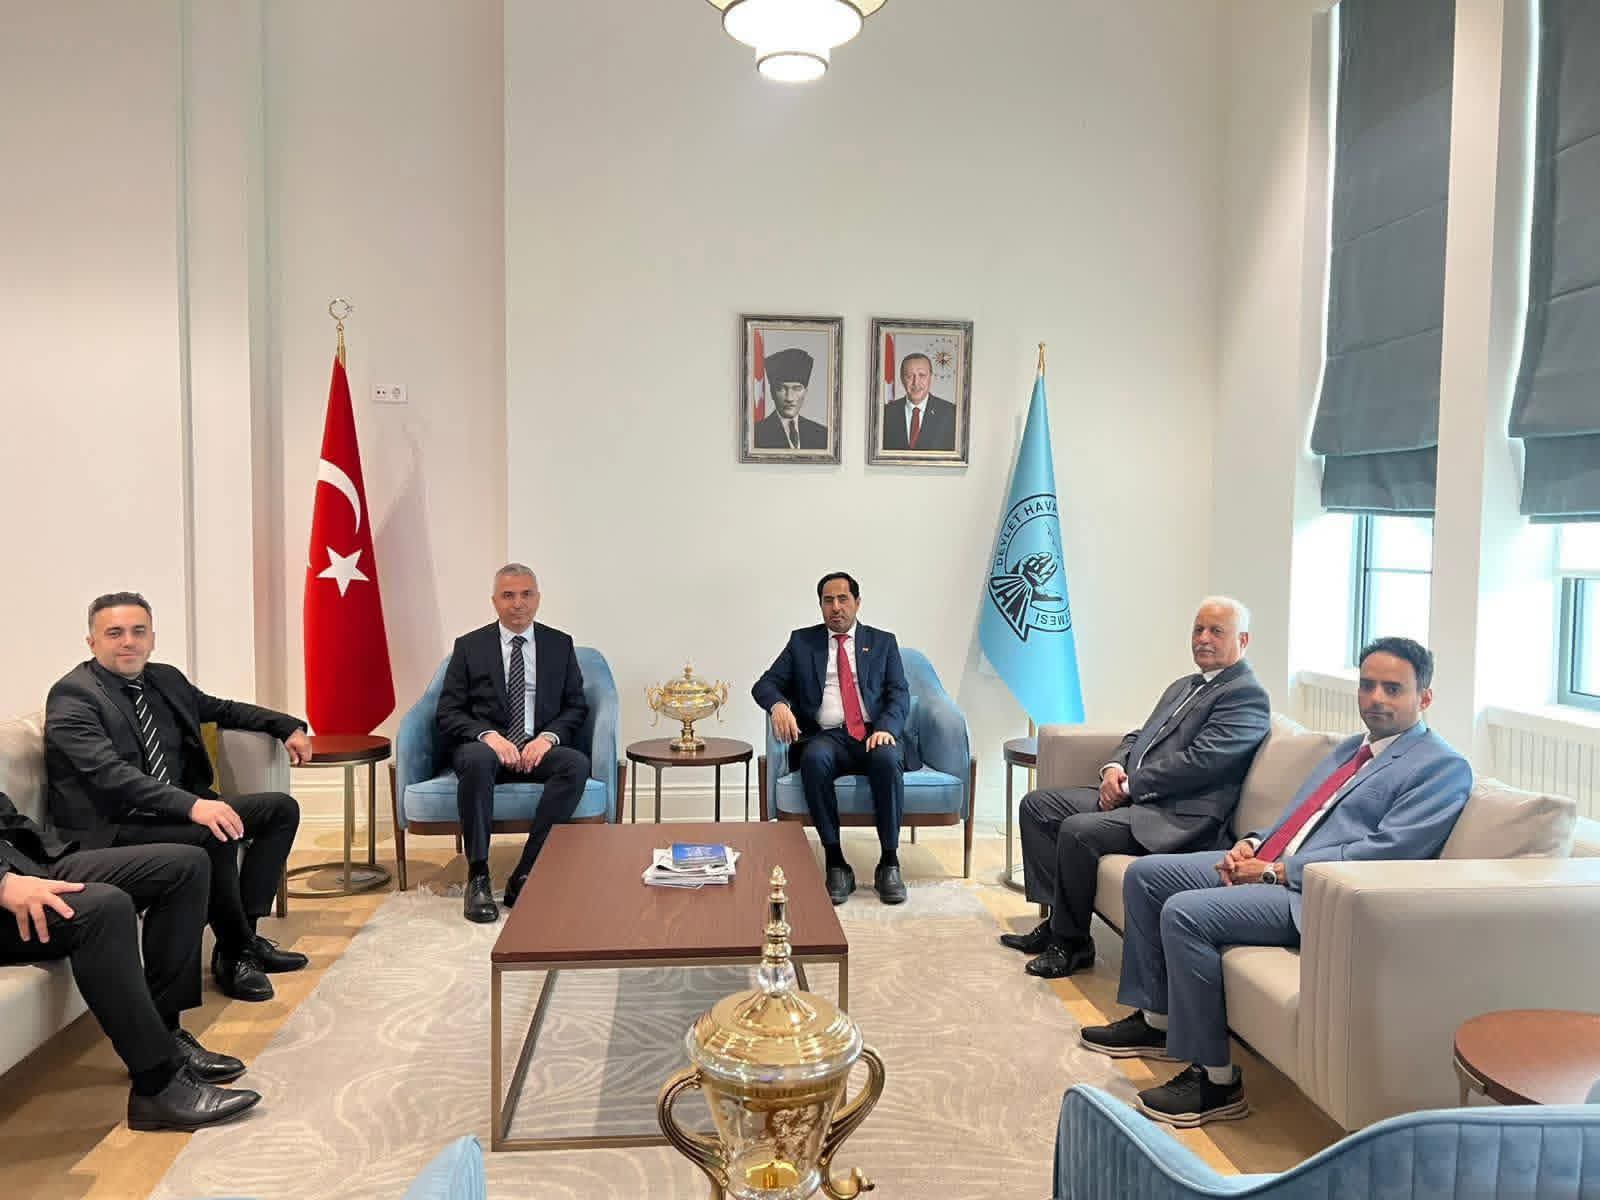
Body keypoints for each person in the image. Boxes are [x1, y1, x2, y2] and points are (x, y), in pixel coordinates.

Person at [1079, 637, 1471, 1128]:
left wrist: (1276, 871)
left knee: (1184, 913)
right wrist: (1253, 843)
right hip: (1273, 862)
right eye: (1367, 685)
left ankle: (1215, 1082)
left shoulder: (1441, 767)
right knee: (1147, 876)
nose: (1375, 698)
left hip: (1316, 894)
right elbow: (1298, 817)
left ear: (1424, 697)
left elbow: (1387, 853)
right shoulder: (1351, 749)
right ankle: (1157, 1021)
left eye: (1393, 689)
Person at [45, 592, 310, 1003]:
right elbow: (111, 775)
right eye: (114, 633)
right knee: (213, 831)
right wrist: (194, 806)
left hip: (172, 812)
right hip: (115, 827)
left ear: (152, 638)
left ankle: (242, 940)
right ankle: (236, 954)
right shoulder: (73, 696)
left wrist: (286, 725)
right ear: (92, 642)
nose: (128, 642)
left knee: (279, 810)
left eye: (138, 631)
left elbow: (223, 709)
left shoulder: (164, 679)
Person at [1002, 597, 1270, 979]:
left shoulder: (1246, 695)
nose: (1203, 639)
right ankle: (1056, 921)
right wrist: (1113, 768)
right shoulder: (1184, 685)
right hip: (1141, 800)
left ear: (1243, 640)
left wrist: (1130, 786)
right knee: (1038, 806)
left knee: (1078, 831)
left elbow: (1201, 763)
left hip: (1178, 817)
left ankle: (1072, 944)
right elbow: (1139, 736)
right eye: (1198, 629)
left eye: (1216, 631)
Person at [0, 788, 261, 1129]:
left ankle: (166, 1035)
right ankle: (158, 1085)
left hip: (25, 861)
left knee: (187, 865)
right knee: (105, 908)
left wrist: (35, 857)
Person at [752, 572, 919, 905]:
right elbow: (764, 685)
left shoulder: (883, 642)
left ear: (857, 602)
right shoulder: (802, 643)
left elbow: (898, 692)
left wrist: (886, 728)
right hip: (827, 737)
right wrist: (779, 705)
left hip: (873, 733)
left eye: (843, 599)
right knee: (814, 759)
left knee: (888, 759)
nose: (836, 607)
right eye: (828, 601)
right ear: (821, 606)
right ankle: (836, 862)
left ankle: (889, 861)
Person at [435, 564, 590, 923]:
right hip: (485, 750)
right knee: (476, 758)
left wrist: (547, 738)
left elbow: (576, 706)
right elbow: (448, 711)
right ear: (494, 601)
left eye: (526, 594)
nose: (518, 603)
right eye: (508, 595)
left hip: (537, 749)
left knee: (575, 764)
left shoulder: (559, 644)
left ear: (538, 599)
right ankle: (478, 875)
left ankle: (526, 872)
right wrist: (489, 737)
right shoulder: (469, 646)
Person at [753, 348, 829, 450]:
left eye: (796, 389)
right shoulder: (756, 435)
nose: (789, 398)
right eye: (781, 389)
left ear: (805, 392)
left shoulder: (822, 434)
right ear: (772, 392)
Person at [881, 353, 957, 452]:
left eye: (922, 375)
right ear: (902, 379)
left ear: (931, 377)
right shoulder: (885, 413)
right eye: (909, 376)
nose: (916, 382)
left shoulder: (951, 413)